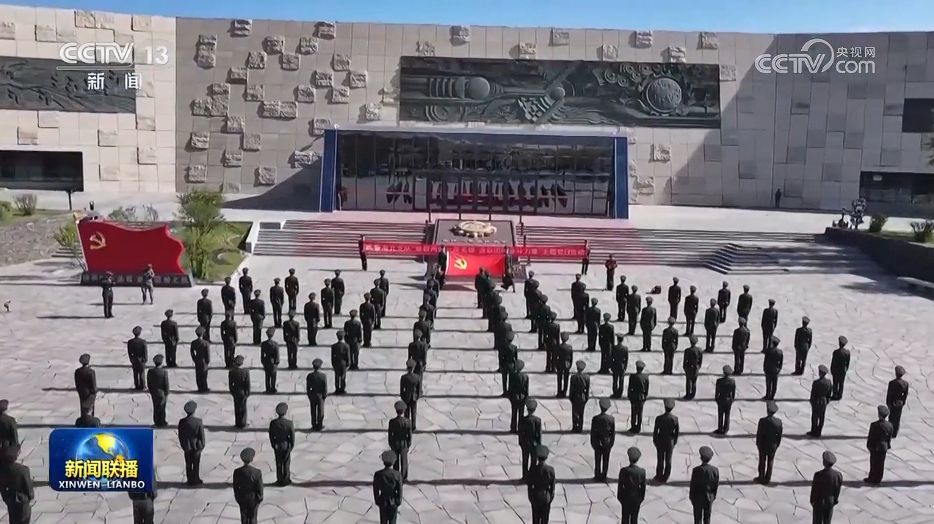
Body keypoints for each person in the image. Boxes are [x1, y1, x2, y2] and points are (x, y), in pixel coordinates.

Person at [0, 444, 34, 524]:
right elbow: (28, 489)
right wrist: (30, 497)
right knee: (24, 520)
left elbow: (2, 486)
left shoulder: (3, 470)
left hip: (11, 501)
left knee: (13, 520)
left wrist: (6, 497)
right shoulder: (23, 470)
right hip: (22, 501)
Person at [810, 451, 843, 524]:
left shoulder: (818, 475)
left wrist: (812, 500)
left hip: (819, 502)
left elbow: (814, 490)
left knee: (817, 521)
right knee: (827, 521)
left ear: (824, 462)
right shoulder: (838, 475)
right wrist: (835, 500)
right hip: (830, 502)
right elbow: (837, 490)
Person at [233, 447, 264, 524]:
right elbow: (259, 487)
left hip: (242, 497)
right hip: (253, 498)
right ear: (252, 459)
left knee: (244, 518)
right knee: (253, 517)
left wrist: (238, 498)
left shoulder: (237, 472)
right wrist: (259, 498)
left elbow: (235, 487)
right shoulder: (257, 472)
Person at [689, 446, 719, 524]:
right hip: (709, 497)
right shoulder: (715, 470)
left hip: (698, 498)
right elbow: (715, 485)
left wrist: (691, 497)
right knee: (707, 518)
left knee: (697, 519)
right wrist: (713, 497)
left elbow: (693, 485)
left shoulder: (696, 470)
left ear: (701, 458)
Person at [178, 400, 205, 486]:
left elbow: (180, 435)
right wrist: (202, 446)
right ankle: (196, 478)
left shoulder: (182, 422)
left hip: (187, 446)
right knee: (196, 464)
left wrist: (183, 445)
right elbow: (201, 436)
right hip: (197, 446)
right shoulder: (198, 421)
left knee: (188, 464)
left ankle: (189, 479)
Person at [617, 446, 646, 524]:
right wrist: (641, 498)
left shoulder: (623, 471)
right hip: (636, 498)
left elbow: (620, 486)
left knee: (625, 518)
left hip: (626, 497)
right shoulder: (642, 472)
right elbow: (643, 488)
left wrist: (620, 498)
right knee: (634, 518)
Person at [866, 405, 894, 485]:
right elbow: (889, 437)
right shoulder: (890, 425)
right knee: (881, 463)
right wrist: (888, 445)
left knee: (873, 463)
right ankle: (878, 478)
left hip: (875, 446)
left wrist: (869, 445)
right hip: (884, 447)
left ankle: (872, 477)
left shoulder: (874, 425)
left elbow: (871, 436)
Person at [755, 401, 783, 484]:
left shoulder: (762, 421)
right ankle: (768, 478)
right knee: (770, 461)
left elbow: (759, 434)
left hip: (763, 445)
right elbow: (779, 435)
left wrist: (758, 444)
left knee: (762, 461)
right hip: (773, 445)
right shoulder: (778, 422)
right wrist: (777, 444)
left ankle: (761, 476)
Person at [652, 398, 679, 482]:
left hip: (660, 440)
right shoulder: (675, 419)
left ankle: (659, 475)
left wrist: (655, 441)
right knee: (668, 459)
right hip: (670, 441)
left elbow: (655, 431)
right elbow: (676, 433)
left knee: (660, 459)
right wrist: (674, 442)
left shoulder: (659, 418)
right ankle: (666, 476)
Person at [373, 450, 403, 524]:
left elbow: (375, 489)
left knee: (383, 521)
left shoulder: (378, 474)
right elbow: (400, 489)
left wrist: (377, 500)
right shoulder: (397, 474)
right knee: (392, 521)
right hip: (393, 500)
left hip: (383, 500)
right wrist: (398, 501)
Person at [528, 445, 556, 524]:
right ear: (546, 457)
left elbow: (529, 485)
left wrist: (531, 497)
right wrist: (550, 497)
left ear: (537, 458)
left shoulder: (533, 469)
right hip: (545, 496)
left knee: (535, 520)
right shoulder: (550, 470)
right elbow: (552, 486)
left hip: (535, 495)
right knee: (545, 519)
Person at [269, 402, 295, 486]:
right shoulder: (289, 423)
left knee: (279, 463)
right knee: (286, 463)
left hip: (277, 445)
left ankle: (279, 479)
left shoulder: (273, 423)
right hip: (286, 445)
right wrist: (291, 446)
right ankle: (286, 479)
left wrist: (274, 444)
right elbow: (292, 437)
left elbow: (271, 435)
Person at [590, 398, 615, 481]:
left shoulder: (595, 418)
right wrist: (611, 443)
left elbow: (593, 432)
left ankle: (597, 475)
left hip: (597, 442)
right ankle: (604, 475)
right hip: (607, 442)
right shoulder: (611, 419)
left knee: (597, 459)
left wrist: (593, 442)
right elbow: (612, 433)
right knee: (606, 460)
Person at [388, 400, 412, 481]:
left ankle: (396, 476)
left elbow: (390, 434)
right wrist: (408, 444)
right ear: (404, 411)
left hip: (395, 443)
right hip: (404, 443)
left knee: (395, 461)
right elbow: (409, 435)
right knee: (404, 461)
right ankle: (404, 477)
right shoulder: (408, 421)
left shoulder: (392, 422)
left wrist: (391, 444)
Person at [518, 399, 542, 480]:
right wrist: (539, 444)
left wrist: (520, 442)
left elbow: (520, 432)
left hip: (525, 443)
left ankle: (525, 476)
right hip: (534, 443)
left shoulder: (523, 420)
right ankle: (532, 476)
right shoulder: (538, 420)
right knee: (533, 461)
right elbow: (538, 434)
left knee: (525, 460)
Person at [808, 365, 833, 438]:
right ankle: (819, 431)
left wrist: (811, 401)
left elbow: (813, 393)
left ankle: (814, 430)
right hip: (824, 401)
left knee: (815, 416)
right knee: (821, 417)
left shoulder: (816, 382)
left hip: (816, 401)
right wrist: (827, 400)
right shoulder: (828, 382)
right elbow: (829, 393)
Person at [228, 355, 251, 429]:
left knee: (237, 407)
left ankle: (238, 422)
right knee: (243, 408)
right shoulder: (245, 372)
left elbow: (230, 384)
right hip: (243, 392)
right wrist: (248, 392)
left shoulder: (232, 372)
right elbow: (247, 383)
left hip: (236, 392)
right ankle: (243, 423)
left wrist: (232, 391)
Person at [147, 354, 169, 427]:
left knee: (155, 407)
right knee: (162, 408)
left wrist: (151, 391)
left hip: (154, 392)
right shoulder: (164, 372)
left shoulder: (150, 371)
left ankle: (156, 421)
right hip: (162, 393)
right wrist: (167, 392)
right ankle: (162, 421)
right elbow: (166, 383)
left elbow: (149, 383)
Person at [886, 366, 908, 438]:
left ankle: (890, 432)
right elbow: (905, 394)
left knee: (891, 418)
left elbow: (889, 394)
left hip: (893, 402)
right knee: (897, 418)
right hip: (900, 403)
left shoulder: (892, 383)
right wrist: (903, 402)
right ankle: (895, 433)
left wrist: (888, 403)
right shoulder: (905, 383)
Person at [400, 359, 422, 430]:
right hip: (414, 397)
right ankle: (413, 426)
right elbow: (419, 389)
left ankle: (407, 426)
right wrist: (417, 396)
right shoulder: (417, 377)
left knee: (406, 413)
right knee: (413, 413)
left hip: (406, 397)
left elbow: (401, 390)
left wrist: (403, 397)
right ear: (414, 368)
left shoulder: (404, 377)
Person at [306, 359, 328, 431]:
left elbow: (308, 387)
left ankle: (313, 424)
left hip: (312, 394)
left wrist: (309, 395)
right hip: (320, 395)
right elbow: (325, 387)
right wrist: (324, 396)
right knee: (320, 410)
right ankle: (319, 424)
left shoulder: (310, 376)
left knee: (313, 410)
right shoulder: (323, 376)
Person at [569, 360, 590, 433]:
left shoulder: (573, 377)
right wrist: (586, 398)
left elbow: (571, 389)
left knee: (574, 413)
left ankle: (575, 427)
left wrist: (571, 397)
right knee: (581, 413)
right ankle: (580, 427)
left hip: (575, 396)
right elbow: (587, 390)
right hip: (582, 397)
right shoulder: (587, 378)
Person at [509, 360, 529, 433]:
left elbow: (510, 388)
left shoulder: (512, 376)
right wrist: (526, 397)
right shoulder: (525, 377)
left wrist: (510, 397)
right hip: (522, 397)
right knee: (521, 414)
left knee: (514, 413)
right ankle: (520, 428)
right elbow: (526, 389)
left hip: (514, 396)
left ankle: (513, 427)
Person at [628, 361, 649, 433]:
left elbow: (630, 388)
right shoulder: (646, 377)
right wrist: (645, 397)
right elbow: (646, 389)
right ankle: (639, 427)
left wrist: (629, 396)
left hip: (634, 396)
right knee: (640, 413)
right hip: (641, 397)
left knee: (633, 413)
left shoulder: (633, 376)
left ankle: (633, 427)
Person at [714, 365, 736, 434]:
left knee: (720, 415)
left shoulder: (719, 381)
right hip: (728, 399)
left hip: (721, 399)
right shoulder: (732, 381)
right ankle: (726, 428)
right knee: (727, 414)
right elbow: (733, 393)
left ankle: (720, 428)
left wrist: (717, 399)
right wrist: (731, 400)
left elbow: (717, 392)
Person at [127, 326, 148, 391]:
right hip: (141, 359)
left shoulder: (130, 342)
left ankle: (137, 385)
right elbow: (145, 352)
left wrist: (131, 359)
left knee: (135, 373)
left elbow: (129, 352)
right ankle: (142, 386)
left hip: (134, 359)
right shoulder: (143, 342)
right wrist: (145, 359)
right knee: (142, 373)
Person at [190, 327, 211, 393]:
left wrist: (194, 359)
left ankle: (200, 387)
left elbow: (192, 352)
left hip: (197, 359)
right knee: (204, 375)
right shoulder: (206, 343)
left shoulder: (193, 342)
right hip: (203, 360)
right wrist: (207, 361)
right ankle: (204, 387)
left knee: (198, 374)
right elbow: (207, 353)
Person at [830, 336, 851, 401]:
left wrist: (832, 369)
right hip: (843, 370)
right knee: (841, 383)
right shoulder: (847, 352)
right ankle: (840, 395)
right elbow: (848, 363)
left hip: (836, 370)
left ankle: (834, 395)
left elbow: (833, 362)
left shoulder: (836, 352)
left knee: (835, 383)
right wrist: (846, 369)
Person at [682, 335, 703, 400]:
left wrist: (684, 367)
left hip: (689, 367)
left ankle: (688, 394)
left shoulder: (687, 350)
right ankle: (693, 394)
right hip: (696, 367)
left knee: (688, 381)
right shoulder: (699, 350)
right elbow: (700, 360)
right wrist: (698, 366)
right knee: (694, 381)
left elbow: (685, 360)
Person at [763, 336, 783, 401]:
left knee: (768, 383)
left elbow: (765, 361)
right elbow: (781, 362)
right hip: (776, 370)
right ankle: (772, 396)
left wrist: (764, 368)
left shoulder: (769, 351)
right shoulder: (780, 352)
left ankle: (767, 394)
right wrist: (779, 369)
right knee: (774, 384)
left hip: (769, 369)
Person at [260, 328, 280, 394]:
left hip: (266, 361)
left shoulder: (263, 344)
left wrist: (263, 361)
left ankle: (268, 388)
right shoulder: (275, 344)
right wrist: (277, 362)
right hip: (273, 361)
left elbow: (262, 354)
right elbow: (277, 354)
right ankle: (273, 388)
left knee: (267, 376)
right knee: (273, 376)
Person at [610, 334, 629, 398]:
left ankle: (615, 393)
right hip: (621, 366)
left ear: (617, 340)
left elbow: (611, 357)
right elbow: (626, 359)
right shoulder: (625, 348)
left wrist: (611, 366)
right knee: (621, 380)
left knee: (615, 380)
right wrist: (625, 367)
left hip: (615, 365)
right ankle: (620, 393)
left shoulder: (614, 348)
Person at [555, 332, 573, 398]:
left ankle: (559, 391)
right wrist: (570, 365)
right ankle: (564, 391)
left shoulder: (559, 346)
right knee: (566, 378)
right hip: (566, 363)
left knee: (559, 378)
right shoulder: (569, 347)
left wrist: (555, 364)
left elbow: (555, 356)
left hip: (560, 363)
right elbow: (571, 357)